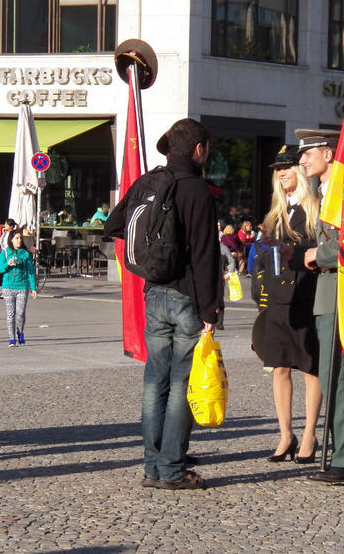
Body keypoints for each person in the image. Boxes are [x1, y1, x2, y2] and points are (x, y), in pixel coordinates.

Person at [137, 118, 222, 490]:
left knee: (155, 380)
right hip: (186, 297)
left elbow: (113, 225)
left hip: (153, 292)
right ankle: (171, 468)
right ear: (199, 150)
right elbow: (205, 255)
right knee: (183, 382)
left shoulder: (149, 183)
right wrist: (211, 309)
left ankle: (153, 464)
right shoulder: (196, 190)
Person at [293, 128, 344, 487]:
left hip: (340, 295)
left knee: (339, 379)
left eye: (308, 153)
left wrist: (316, 254)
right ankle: (343, 454)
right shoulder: (327, 191)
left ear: (328, 154)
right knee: (331, 377)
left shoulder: (341, 192)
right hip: (328, 295)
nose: (302, 159)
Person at [252, 145, 321, 464]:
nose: (282, 172)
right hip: (278, 302)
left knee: (309, 368)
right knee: (279, 367)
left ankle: (309, 434)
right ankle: (285, 435)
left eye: (289, 166)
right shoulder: (273, 214)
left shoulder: (317, 207)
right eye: (278, 169)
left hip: (307, 296)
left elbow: (319, 252)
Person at [0, 229, 38, 347]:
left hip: (22, 287)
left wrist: (33, 288)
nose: (19, 240)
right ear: (11, 240)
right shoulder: (5, 252)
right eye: (16, 238)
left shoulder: (25, 254)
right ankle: (11, 338)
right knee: (10, 314)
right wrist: (7, 264)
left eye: (20, 238)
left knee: (20, 313)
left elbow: (30, 272)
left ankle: (20, 332)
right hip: (8, 287)